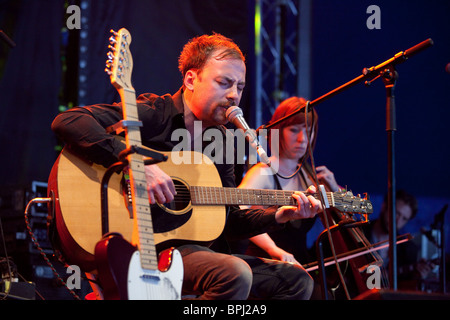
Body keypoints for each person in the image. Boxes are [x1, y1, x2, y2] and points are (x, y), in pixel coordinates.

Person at [51, 33, 322, 300]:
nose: (233, 95)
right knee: (234, 273)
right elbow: (69, 121)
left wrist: (278, 216)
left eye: (239, 86)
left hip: (191, 253)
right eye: (224, 83)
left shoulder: (224, 144)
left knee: (296, 281)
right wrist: (134, 163)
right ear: (191, 79)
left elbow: (226, 221)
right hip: (137, 245)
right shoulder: (155, 113)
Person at [236, 97, 341, 266]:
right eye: (294, 130)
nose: (302, 139)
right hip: (265, 263)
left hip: (302, 264)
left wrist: (335, 189)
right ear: (279, 130)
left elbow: (348, 217)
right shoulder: (263, 172)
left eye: (309, 130)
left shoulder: (310, 177)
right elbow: (237, 214)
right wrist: (273, 249)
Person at [362, 190, 435, 288]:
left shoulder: (408, 249)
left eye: (404, 218)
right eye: (396, 213)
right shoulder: (359, 231)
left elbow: (405, 289)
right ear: (384, 206)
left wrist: (417, 277)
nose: (397, 221)